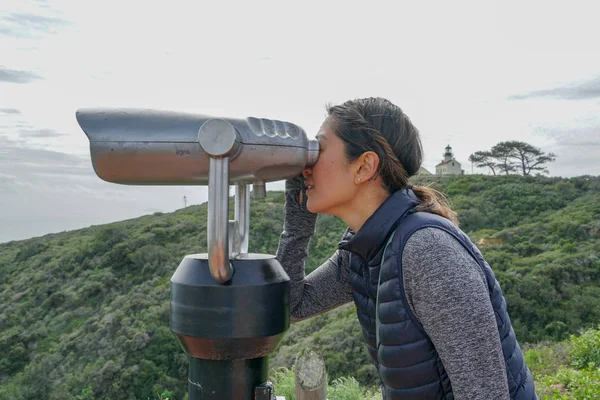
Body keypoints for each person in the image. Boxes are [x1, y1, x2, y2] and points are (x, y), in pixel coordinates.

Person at [275, 97, 537, 400]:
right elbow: (291, 307)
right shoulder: (365, 249)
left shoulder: (428, 252)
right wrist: (298, 224)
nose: (306, 168)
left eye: (317, 151)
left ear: (364, 166)